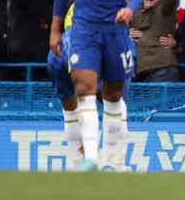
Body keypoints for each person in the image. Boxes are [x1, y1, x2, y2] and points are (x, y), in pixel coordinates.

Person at [50, 0, 145, 172]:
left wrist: (131, 8)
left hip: (115, 30)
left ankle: (114, 162)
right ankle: (90, 158)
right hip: (84, 28)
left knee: (113, 95)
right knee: (83, 89)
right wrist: (56, 29)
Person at [47, 27, 134, 171]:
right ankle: (95, 164)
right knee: (113, 105)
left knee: (111, 103)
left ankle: (106, 163)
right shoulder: (58, 56)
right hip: (72, 50)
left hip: (73, 47)